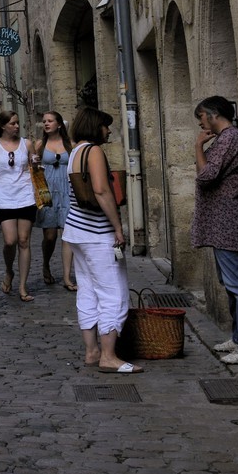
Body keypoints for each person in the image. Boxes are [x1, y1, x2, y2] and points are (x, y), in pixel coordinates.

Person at [64, 107, 138, 373]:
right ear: (96, 127)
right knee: (113, 293)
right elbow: (100, 190)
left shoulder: (74, 151)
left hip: (77, 232)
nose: (108, 131)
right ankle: (108, 355)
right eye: (106, 126)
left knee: (87, 290)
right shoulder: (93, 151)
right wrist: (118, 227)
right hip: (96, 233)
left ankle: (92, 351)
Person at [193, 96, 238, 365]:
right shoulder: (225, 139)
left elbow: (207, 176)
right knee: (230, 285)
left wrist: (198, 147)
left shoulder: (229, 138)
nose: (201, 123)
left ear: (213, 114)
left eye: (202, 117)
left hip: (227, 222)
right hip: (221, 222)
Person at [0, 111, 38, 302]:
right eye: (13, 123)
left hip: (26, 196)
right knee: (10, 241)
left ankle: (23, 286)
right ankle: (9, 271)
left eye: (17, 123)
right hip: (5, 198)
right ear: (3, 126)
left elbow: (34, 169)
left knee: (24, 241)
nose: (17, 126)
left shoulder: (27, 144)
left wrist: (36, 162)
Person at [34, 111, 74, 289]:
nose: (46, 124)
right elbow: (33, 171)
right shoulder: (40, 145)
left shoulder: (70, 145)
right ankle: (46, 264)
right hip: (47, 192)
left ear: (59, 124)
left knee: (67, 235)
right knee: (50, 236)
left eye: (50, 121)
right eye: (44, 121)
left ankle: (66, 276)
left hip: (66, 191)